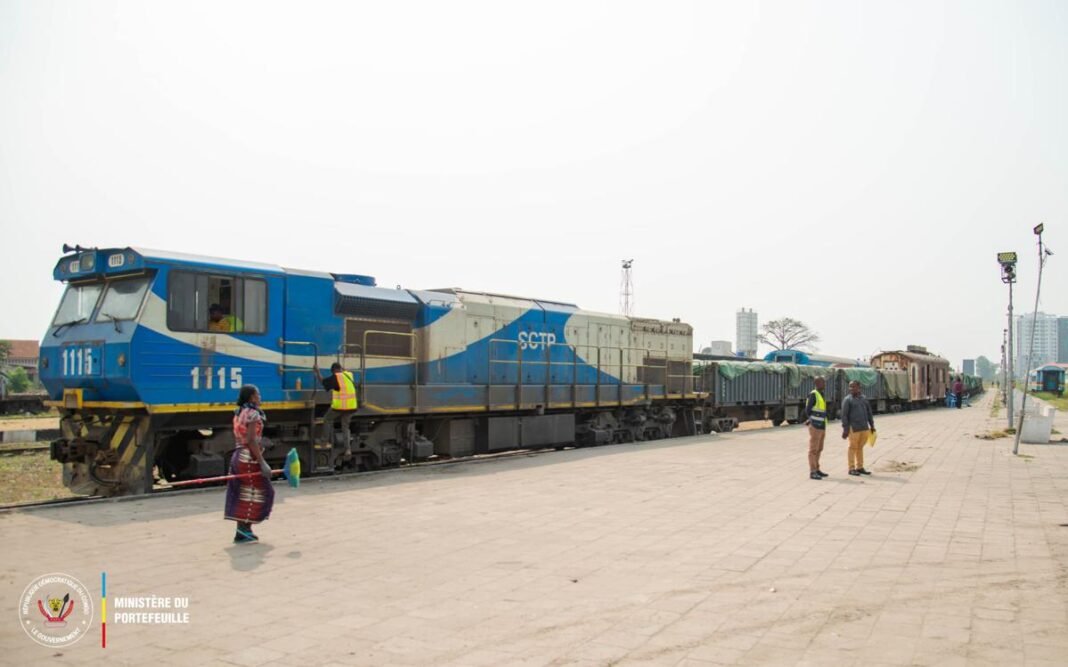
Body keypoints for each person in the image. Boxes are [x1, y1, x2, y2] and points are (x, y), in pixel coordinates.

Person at [225, 384, 274, 543]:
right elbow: (251, 440)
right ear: (252, 397)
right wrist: (262, 462)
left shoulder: (239, 413)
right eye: (258, 394)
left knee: (244, 492)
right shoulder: (254, 414)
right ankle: (243, 531)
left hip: (238, 455)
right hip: (249, 457)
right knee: (263, 491)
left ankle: (243, 531)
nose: (260, 397)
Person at [315, 362, 358, 459]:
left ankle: (324, 441)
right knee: (345, 427)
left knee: (327, 419)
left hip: (340, 407)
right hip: (351, 407)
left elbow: (323, 382)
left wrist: (317, 372)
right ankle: (348, 449)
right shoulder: (349, 375)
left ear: (334, 371)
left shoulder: (337, 377)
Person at [841, 380, 875, 476]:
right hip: (854, 428)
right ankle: (851, 468)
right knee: (852, 447)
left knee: (860, 448)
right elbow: (844, 415)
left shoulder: (864, 399)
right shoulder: (847, 400)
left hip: (864, 428)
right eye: (850, 387)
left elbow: (869, 413)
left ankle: (860, 467)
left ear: (859, 388)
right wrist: (845, 429)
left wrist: (872, 425)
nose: (851, 389)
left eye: (853, 387)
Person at [805, 376, 830, 480]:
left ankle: (817, 468)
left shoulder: (821, 394)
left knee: (819, 449)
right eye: (823, 382)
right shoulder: (814, 394)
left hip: (822, 425)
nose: (824, 384)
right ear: (817, 383)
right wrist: (811, 420)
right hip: (815, 426)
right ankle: (812, 471)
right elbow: (807, 410)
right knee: (813, 449)